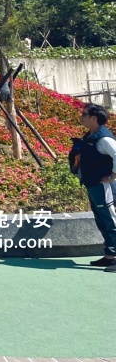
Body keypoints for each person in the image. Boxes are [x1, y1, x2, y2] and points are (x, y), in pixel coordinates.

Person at [74, 104, 116, 270]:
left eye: (84, 114)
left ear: (94, 118)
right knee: (102, 220)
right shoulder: (91, 136)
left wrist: (113, 176)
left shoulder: (103, 138)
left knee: (110, 220)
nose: (81, 116)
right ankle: (110, 255)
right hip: (93, 185)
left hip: (104, 186)